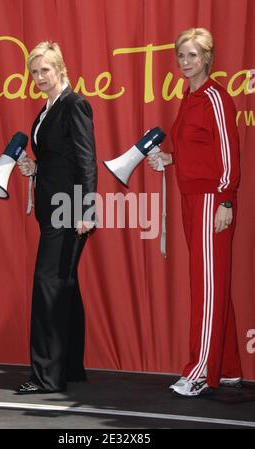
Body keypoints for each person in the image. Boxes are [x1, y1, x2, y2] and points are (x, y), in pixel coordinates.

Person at [147, 28, 243, 397]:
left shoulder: (216, 97)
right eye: (181, 56)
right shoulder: (190, 97)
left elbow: (229, 153)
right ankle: (229, 365)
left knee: (206, 287)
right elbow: (198, 151)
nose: (185, 62)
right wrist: (170, 158)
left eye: (192, 55)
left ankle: (200, 371)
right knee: (214, 283)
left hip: (210, 201)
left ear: (207, 57)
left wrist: (227, 199)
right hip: (192, 198)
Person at [17, 42, 97, 394]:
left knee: (49, 286)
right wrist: (35, 167)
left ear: (60, 69)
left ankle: (46, 376)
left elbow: (86, 160)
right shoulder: (47, 108)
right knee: (64, 284)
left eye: (45, 70)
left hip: (69, 209)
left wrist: (85, 209)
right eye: (34, 72)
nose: (38, 77)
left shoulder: (74, 104)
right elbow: (57, 157)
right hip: (53, 207)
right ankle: (70, 367)